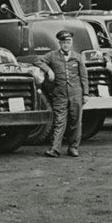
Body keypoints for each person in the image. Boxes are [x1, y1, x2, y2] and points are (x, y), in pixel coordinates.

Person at [35, 30, 88, 158]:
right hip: (60, 94)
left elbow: (84, 76)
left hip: (76, 93)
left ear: (72, 43)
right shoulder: (53, 55)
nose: (66, 44)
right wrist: (49, 70)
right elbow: (38, 60)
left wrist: (85, 94)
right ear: (59, 43)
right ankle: (55, 149)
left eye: (68, 42)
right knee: (59, 121)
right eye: (63, 42)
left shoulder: (78, 57)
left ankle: (73, 147)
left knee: (76, 121)